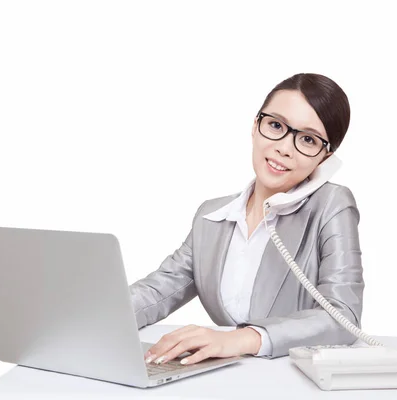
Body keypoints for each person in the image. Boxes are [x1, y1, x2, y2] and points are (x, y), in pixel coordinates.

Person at [129, 72, 364, 367]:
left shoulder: (332, 205)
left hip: (293, 379)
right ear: (255, 126)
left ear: (325, 159)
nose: (284, 147)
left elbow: (343, 317)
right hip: (221, 378)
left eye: (307, 139)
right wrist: (88, 315)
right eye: (275, 125)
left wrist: (239, 340)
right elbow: (158, 291)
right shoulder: (212, 216)